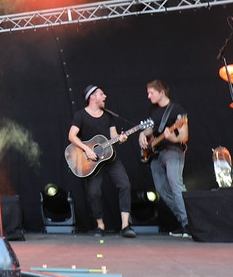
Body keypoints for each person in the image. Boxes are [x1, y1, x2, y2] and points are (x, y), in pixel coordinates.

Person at [67, 85, 136, 238]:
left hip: (110, 157)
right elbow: (72, 136)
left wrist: (121, 138)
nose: (105, 97)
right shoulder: (80, 116)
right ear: (92, 97)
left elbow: (114, 135)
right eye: (101, 94)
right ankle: (100, 226)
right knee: (94, 193)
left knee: (125, 185)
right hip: (92, 161)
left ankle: (125, 226)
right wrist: (87, 149)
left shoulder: (108, 115)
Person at [139, 79, 191, 238]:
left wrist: (172, 137)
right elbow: (150, 129)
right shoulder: (153, 110)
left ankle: (189, 224)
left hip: (173, 151)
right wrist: (142, 134)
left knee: (176, 186)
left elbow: (184, 136)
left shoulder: (177, 110)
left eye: (151, 93)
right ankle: (184, 222)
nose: (148, 96)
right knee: (162, 190)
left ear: (162, 92)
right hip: (156, 154)